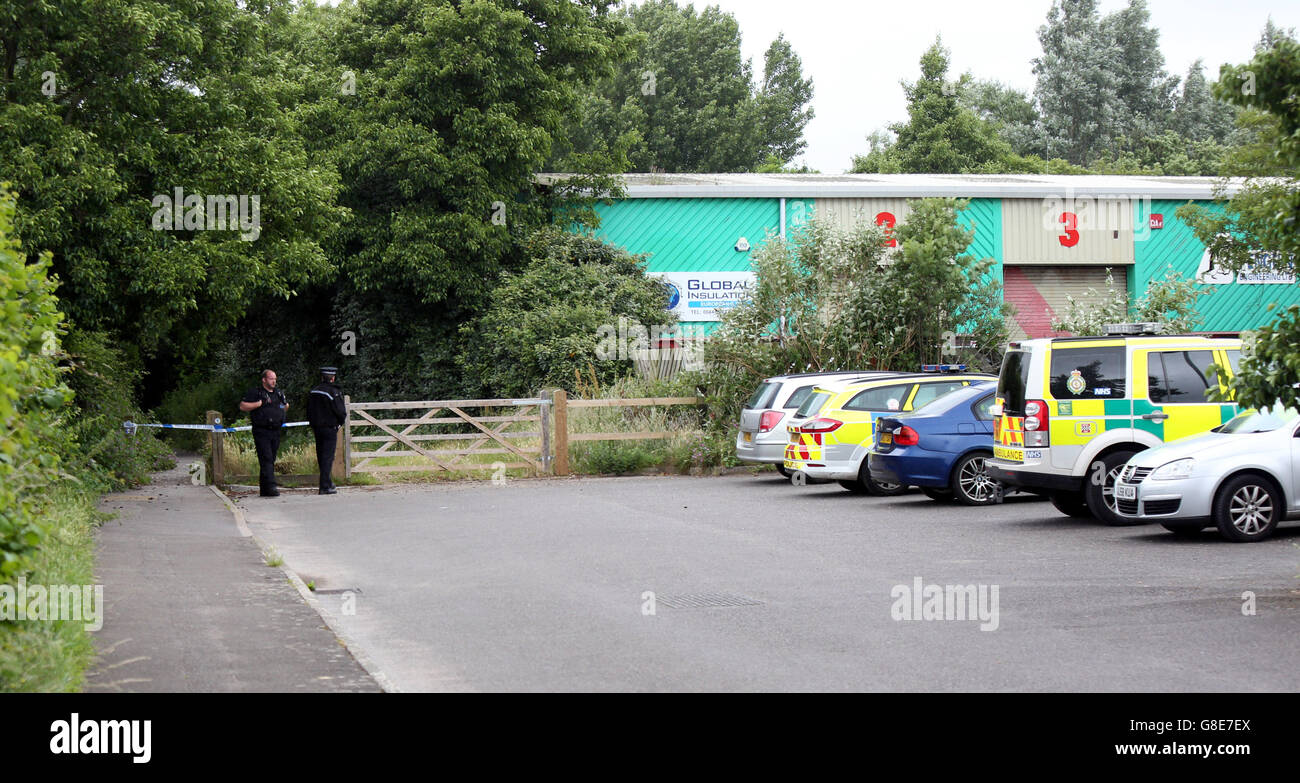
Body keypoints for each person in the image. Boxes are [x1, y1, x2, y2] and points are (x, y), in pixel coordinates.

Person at [240, 370, 288, 497]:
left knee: (270, 459)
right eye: (271, 378)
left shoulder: (278, 393)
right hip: (262, 430)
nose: (274, 381)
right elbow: (243, 406)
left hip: (276, 430)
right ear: (264, 380)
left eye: (275, 379)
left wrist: (282, 409)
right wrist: (258, 404)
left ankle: (265, 489)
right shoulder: (256, 393)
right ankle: (272, 487)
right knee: (266, 458)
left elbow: (285, 406)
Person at [307, 366, 347, 495]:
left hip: (317, 428)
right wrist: (339, 424)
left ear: (322, 377)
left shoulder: (314, 391)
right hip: (329, 428)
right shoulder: (333, 392)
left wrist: (312, 424)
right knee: (328, 456)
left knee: (321, 455)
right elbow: (341, 411)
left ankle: (327, 482)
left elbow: (308, 410)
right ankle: (325, 485)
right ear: (333, 378)